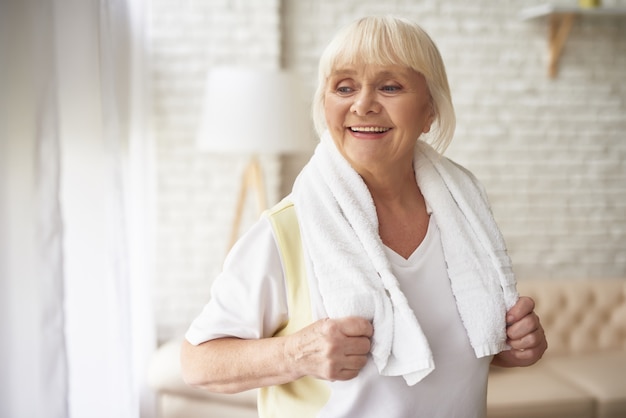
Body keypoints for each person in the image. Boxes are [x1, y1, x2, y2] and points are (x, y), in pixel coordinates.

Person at [181, 16, 547, 418]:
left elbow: (450, 346)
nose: (362, 104)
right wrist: (296, 354)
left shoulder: (466, 215)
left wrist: (509, 348)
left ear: (430, 112)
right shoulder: (287, 229)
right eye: (344, 87)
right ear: (326, 105)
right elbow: (196, 363)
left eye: (390, 86)